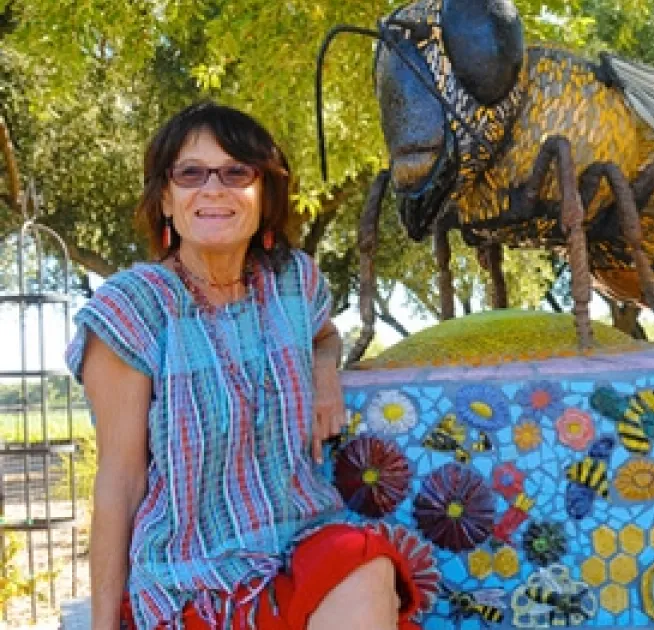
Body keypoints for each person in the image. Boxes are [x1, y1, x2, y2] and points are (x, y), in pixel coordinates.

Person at [67, 102, 429, 629]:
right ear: (166, 198)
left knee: (367, 565)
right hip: (190, 576)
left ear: (265, 194)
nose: (213, 189)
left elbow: (326, 336)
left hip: (300, 542)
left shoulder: (295, 282)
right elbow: (120, 481)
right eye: (191, 173)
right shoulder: (134, 310)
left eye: (236, 172)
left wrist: (324, 371)